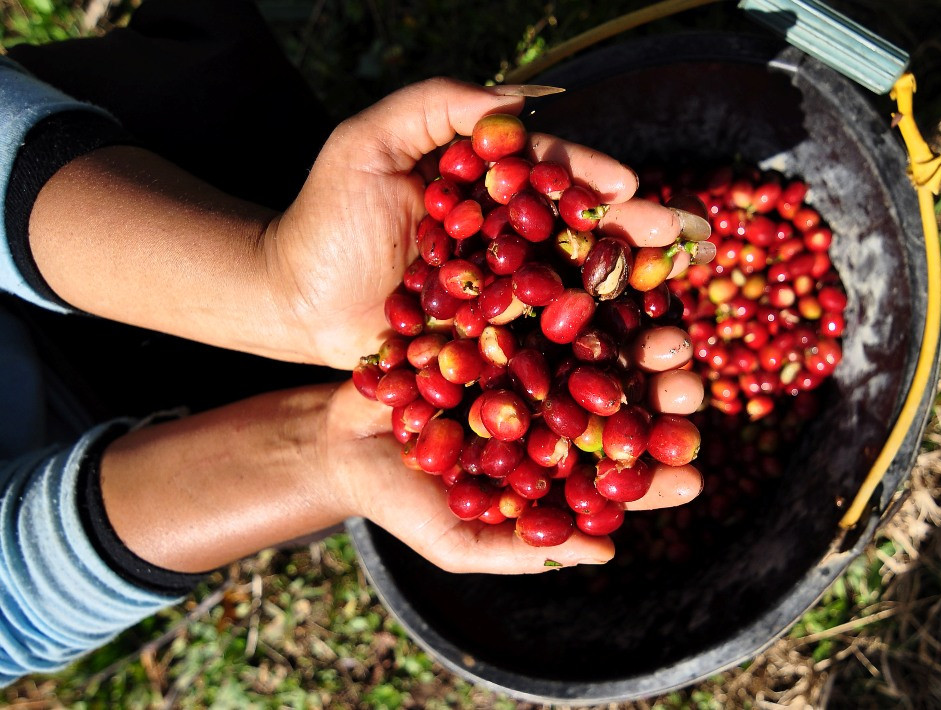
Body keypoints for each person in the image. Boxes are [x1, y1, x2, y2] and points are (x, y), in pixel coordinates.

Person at [0, 0, 709, 688]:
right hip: (139, 484)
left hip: (99, 197)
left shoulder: (469, 314)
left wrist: (275, 284)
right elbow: (15, 608)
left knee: (218, 92)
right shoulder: (490, 355)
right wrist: (317, 459)